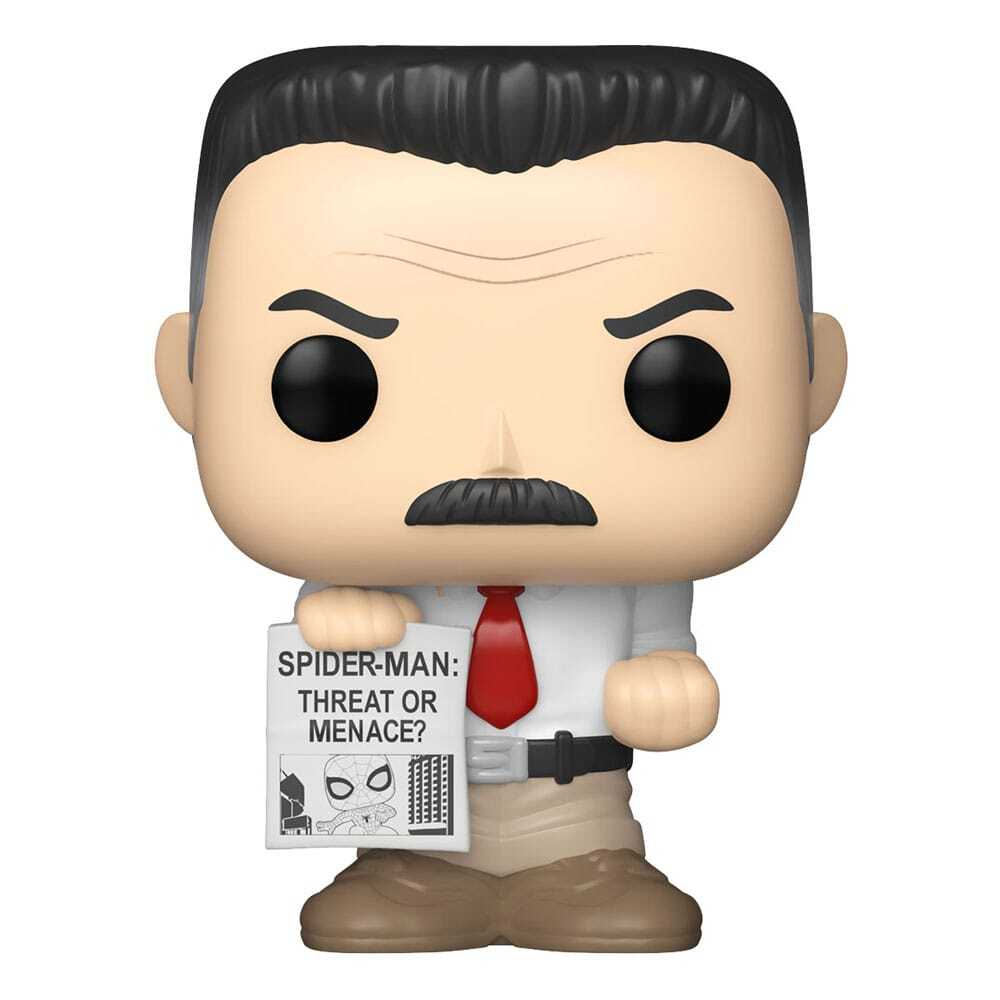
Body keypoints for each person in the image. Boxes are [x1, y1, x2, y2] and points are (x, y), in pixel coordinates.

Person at [156, 46, 847, 952]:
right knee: (388, 893)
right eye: (330, 384)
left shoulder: (644, 580)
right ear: (190, 378)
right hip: (407, 816)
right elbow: (332, 637)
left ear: (811, 377)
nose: (500, 455)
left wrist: (665, 682)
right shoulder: (364, 565)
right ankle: (405, 866)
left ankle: (584, 869)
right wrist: (343, 616)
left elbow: (662, 655)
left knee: (603, 889)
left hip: (582, 815)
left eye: (674, 383)